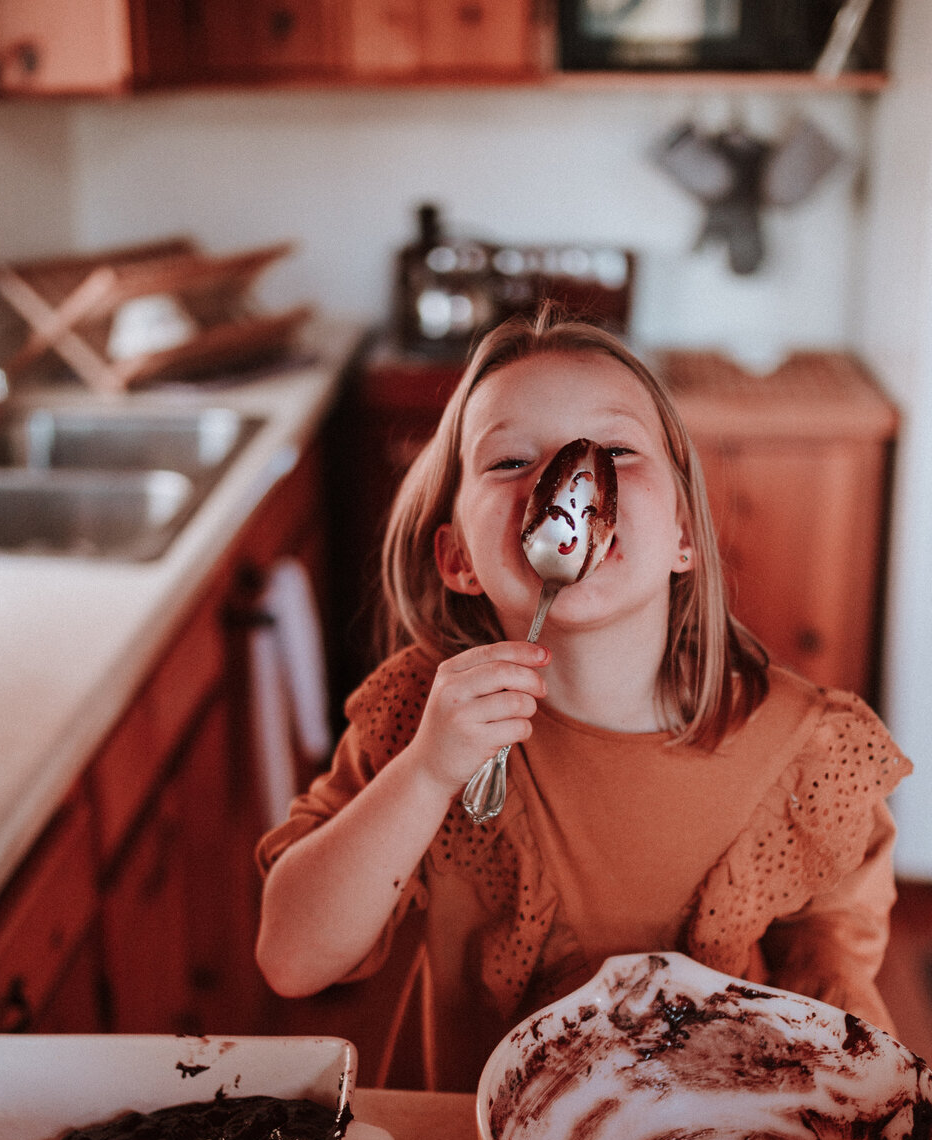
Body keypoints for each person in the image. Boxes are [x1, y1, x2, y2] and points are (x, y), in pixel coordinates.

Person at [256, 307, 912, 1091]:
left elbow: (835, 957)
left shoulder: (806, 750)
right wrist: (427, 773)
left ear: (683, 531)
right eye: (508, 462)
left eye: (616, 451)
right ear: (458, 557)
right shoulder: (421, 724)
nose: (564, 480)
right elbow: (291, 958)